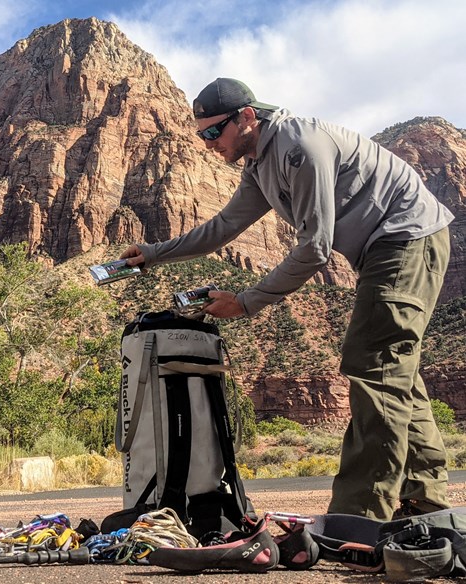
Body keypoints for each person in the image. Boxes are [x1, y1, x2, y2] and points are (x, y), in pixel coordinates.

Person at [120, 77, 455, 521]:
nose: (207, 144)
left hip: (407, 238)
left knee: (372, 361)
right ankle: (426, 502)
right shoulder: (259, 165)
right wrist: (153, 255)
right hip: (387, 248)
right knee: (395, 375)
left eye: (212, 132)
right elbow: (221, 230)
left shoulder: (300, 144)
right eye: (201, 134)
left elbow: (315, 249)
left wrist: (245, 301)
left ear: (246, 116)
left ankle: (356, 517)